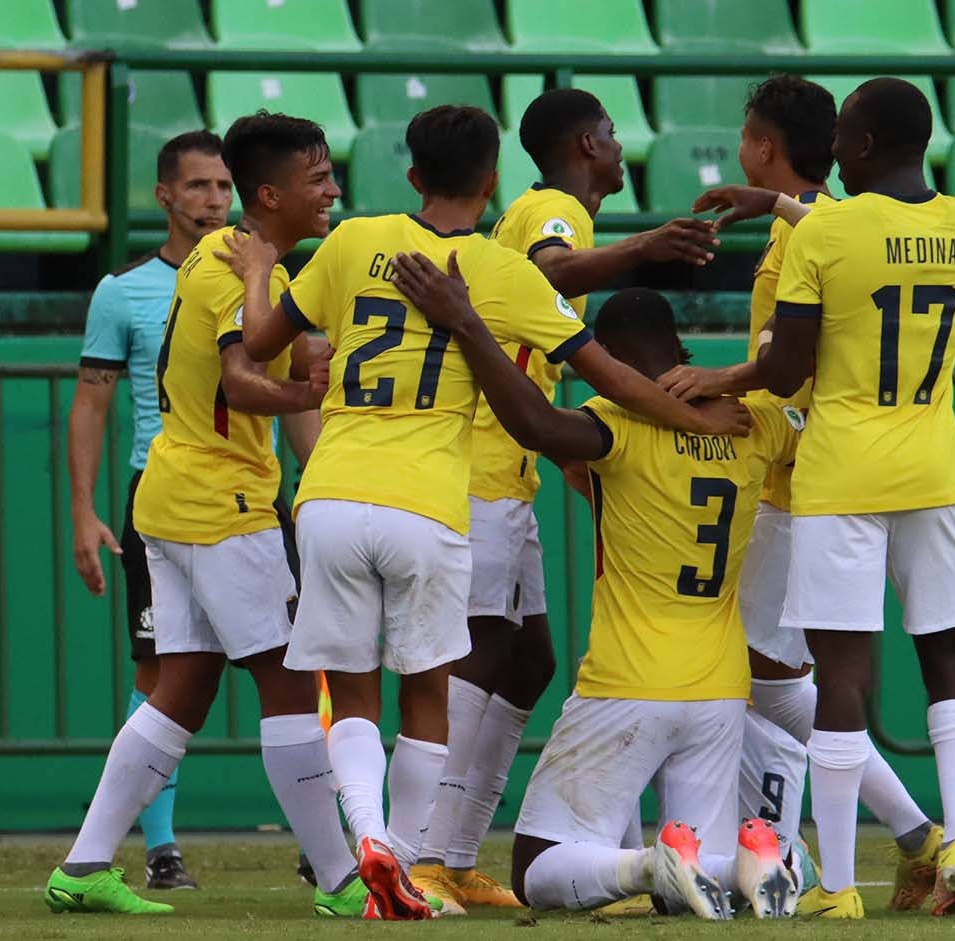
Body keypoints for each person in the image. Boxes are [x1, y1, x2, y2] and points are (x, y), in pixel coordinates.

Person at [221, 104, 750, 921]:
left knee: (358, 691)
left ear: (409, 176)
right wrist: (696, 413)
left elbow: (255, 343)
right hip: (430, 500)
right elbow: (607, 375)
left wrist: (260, 271)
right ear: (494, 182)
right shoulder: (505, 273)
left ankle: (373, 845)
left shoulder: (354, 241)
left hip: (328, 494)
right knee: (427, 689)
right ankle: (411, 856)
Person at [660, 77, 955, 919]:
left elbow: (783, 371)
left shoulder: (827, 235)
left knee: (839, 675)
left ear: (868, 145)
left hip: (839, 472)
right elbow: (879, 238)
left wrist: (744, 362)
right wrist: (776, 201)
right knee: (947, 657)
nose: (833, 149)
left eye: (845, 135)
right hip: (932, 467)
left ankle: (838, 885)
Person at [384, 273, 802, 920]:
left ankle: (647, 860)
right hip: (720, 687)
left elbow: (532, 422)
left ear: (610, 363)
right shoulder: (758, 425)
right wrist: (737, 378)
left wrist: (467, 324)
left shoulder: (616, 422)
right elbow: (812, 414)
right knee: (694, 890)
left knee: (537, 864)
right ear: (680, 349)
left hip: (629, 679)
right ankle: (750, 865)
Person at [411, 87, 724, 915]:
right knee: (479, 651)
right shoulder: (557, 209)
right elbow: (551, 275)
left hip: (506, 463)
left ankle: (454, 852)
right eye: (614, 136)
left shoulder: (531, 210)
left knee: (528, 658)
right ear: (587, 143)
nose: (622, 150)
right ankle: (423, 853)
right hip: (479, 463)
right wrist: (647, 244)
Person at [45, 112, 366, 918]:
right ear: (273, 193)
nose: (333, 189)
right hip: (221, 506)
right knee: (291, 682)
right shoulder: (236, 266)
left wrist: (305, 363)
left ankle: (84, 865)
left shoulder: (232, 262)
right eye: (319, 177)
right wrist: (303, 387)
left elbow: (254, 362)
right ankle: (341, 878)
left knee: (180, 689)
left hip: (171, 496)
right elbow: (238, 380)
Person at [712, 75, 945, 908]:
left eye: (745, 136)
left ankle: (795, 845)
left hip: (801, 482)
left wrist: (720, 391)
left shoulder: (808, 239)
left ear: (766, 146)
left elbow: (792, 371)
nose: (739, 149)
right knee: (769, 675)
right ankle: (910, 834)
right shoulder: (824, 221)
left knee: (759, 677)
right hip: (826, 475)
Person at [67, 130, 232, 891]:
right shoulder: (122, 290)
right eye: (197, 187)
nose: (211, 201)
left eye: (223, 187)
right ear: (165, 195)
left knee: (308, 661)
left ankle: (331, 833)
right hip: (157, 499)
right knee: (160, 668)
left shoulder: (258, 279)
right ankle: (161, 846)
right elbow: (91, 403)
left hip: (248, 495)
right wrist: (83, 509)